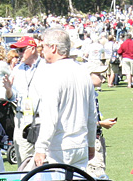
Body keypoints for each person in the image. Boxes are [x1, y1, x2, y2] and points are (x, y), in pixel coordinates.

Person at [32, 28, 97, 170]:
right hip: (80, 143)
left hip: (60, 145)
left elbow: (50, 116)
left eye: (44, 46)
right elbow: (92, 114)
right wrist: (91, 143)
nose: (42, 51)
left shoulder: (52, 73)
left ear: (53, 48)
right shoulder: (83, 71)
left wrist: (41, 147)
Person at [10, 36, 42, 166]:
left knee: (43, 160)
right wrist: (8, 90)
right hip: (22, 118)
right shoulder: (17, 69)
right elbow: (12, 96)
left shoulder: (45, 67)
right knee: (23, 160)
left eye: (22, 50)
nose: (19, 54)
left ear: (32, 49)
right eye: (18, 51)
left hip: (41, 118)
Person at [86, 63, 117, 179]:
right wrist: (100, 123)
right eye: (98, 75)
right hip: (90, 138)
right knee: (97, 174)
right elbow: (82, 121)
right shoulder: (85, 95)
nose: (102, 78)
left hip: (96, 136)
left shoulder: (92, 94)